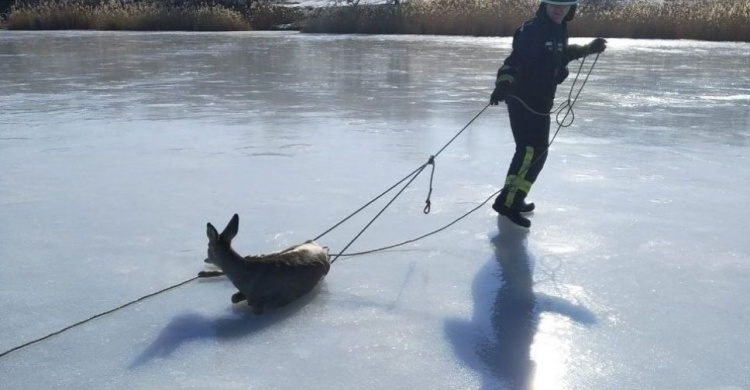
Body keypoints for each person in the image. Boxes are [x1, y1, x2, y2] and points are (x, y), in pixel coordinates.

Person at [490, 0, 607, 228]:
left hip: (540, 102)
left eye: (563, 7)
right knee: (530, 152)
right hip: (524, 99)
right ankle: (508, 203)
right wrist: (503, 85)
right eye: (554, 5)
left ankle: (513, 198)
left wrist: (588, 49)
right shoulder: (533, 30)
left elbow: (560, 54)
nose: (558, 9)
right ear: (544, 6)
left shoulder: (557, 29)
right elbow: (514, 61)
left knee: (536, 153)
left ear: (570, 10)